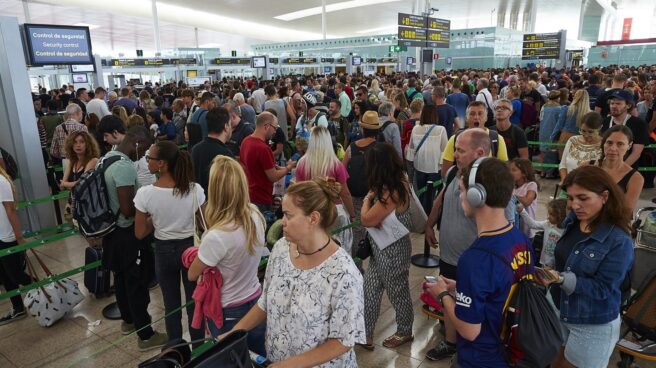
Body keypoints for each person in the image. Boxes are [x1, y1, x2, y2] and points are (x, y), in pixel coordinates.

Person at [221, 178, 365, 367]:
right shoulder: (281, 249)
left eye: (289, 215)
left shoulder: (343, 273)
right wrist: (234, 334)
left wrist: (289, 365)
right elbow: (265, 303)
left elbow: (342, 341)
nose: (283, 222)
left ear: (313, 218)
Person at [425, 157, 533, 368]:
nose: (460, 196)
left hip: (480, 358)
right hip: (508, 352)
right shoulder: (520, 240)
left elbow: (469, 330)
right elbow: (502, 286)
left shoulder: (475, 258)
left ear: (477, 196)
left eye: (463, 190)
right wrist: (463, 287)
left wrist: (443, 294)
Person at [537, 166, 633, 368]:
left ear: (604, 196)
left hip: (591, 322)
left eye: (583, 198)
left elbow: (604, 288)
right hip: (558, 309)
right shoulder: (573, 220)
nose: (574, 205)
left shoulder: (618, 241)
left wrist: (562, 279)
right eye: (571, 198)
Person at [187, 156, 267, 354]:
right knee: (258, 356)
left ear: (214, 189)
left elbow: (192, 274)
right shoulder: (255, 215)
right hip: (256, 300)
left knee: (229, 359)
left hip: (228, 312)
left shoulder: (216, 236)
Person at [102, 127, 167, 351]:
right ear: (137, 143)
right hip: (127, 234)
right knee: (136, 283)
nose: (144, 157)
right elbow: (128, 209)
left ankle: (128, 321)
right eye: (145, 150)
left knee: (120, 279)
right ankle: (146, 335)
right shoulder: (124, 167)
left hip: (112, 233)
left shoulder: (108, 158)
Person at [134, 141, 204, 347]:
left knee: (171, 304)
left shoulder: (145, 194)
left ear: (162, 164)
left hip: (163, 250)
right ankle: (200, 348)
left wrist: (154, 219)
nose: (147, 162)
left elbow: (139, 233)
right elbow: (204, 222)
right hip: (191, 250)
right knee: (194, 301)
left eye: (150, 158)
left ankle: (176, 350)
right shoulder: (194, 190)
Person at [360, 143, 414, 349]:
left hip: (393, 253)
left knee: (397, 293)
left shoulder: (394, 191)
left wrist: (367, 198)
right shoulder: (391, 185)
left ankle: (405, 331)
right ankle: (365, 334)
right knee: (370, 290)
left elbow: (366, 219)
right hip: (379, 250)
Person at [295, 126, 356, 250]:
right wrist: (352, 214)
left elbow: (299, 193)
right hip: (334, 213)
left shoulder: (302, 164)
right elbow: (345, 194)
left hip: (311, 212)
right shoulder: (336, 165)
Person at [240, 112, 296, 212]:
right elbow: (273, 176)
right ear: (266, 126)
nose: (275, 132)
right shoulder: (264, 149)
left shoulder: (246, 141)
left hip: (247, 195)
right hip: (261, 198)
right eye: (274, 128)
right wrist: (288, 167)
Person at [342, 111, 380, 255]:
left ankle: (357, 266)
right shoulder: (380, 148)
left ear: (363, 129)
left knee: (357, 232)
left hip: (354, 197)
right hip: (375, 198)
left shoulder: (351, 147)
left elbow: (342, 171)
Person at [440, 101, 509, 178]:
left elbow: (504, 172)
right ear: (466, 118)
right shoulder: (455, 139)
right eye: (472, 114)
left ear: (486, 118)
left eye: (480, 113)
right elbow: (445, 173)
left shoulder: (497, 139)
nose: (476, 117)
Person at [0, 165, 32, 325]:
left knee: (16, 275)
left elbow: (11, 211)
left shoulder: (1, 181)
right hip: (0, 237)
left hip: (8, 237)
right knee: (5, 276)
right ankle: (18, 307)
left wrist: (19, 237)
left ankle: (45, 289)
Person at [409, 104, 448, 214]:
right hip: (435, 169)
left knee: (420, 194)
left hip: (419, 167)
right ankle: (428, 219)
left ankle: (422, 217)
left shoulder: (415, 128)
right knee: (430, 196)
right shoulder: (441, 130)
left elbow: (411, 150)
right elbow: (444, 151)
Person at [598, 125, 644, 214]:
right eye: (609, 142)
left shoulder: (635, 178)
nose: (613, 148)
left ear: (629, 146)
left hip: (614, 225)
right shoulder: (587, 167)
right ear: (603, 143)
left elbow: (626, 213)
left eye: (620, 144)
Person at [191, 107, 234, 195]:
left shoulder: (195, 149)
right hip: (217, 205)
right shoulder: (226, 155)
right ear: (226, 127)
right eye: (230, 124)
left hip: (199, 203)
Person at [601, 89, 648, 169]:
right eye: (612, 103)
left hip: (627, 169)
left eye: (618, 103)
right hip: (605, 168)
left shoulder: (639, 124)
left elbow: (636, 152)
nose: (613, 106)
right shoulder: (605, 121)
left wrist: (620, 169)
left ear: (628, 106)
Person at [517, 198, 567, 267]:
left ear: (560, 216)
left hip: (556, 266)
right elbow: (532, 224)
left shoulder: (566, 230)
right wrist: (522, 211)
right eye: (548, 214)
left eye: (552, 215)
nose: (548, 217)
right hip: (544, 262)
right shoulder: (547, 224)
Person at [558, 111, 603, 182]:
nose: (586, 135)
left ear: (600, 128)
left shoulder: (604, 145)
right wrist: (564, 181)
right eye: (583, 131)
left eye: (591, 132)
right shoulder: (572, 140)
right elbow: (563, 165)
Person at [552, 90, 591, 157]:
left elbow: (559, 125)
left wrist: (552, 138)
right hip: (582, 138)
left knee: (563, 163)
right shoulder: (589, 113)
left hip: (566, 138)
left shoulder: (566, 109)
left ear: (575, 97)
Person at [510, 158, 538, 240]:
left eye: (514, 170)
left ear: (524, 173)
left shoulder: (531, 185)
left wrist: (513, 195)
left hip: (527, 230)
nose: (510, 173)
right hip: (515, 228)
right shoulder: (512, 187)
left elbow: (527, 201)